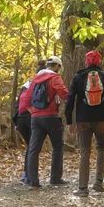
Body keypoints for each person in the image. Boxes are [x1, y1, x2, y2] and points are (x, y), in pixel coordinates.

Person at [64, 50, 104, 197]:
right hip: (102, 119)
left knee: (85, 152)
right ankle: (98, 183)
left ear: (86, 62)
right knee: (102, 149)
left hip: (83, 120)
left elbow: (70, 100)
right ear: (99, 62)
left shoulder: (78, 77)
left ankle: (83, 188)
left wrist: (69, 121)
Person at [23, 56, 70, 191]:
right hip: (51, 117)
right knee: (57, 147)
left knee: (34, 149)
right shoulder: (54, 78)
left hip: (36, 118)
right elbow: (63, 93)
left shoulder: (35, 79)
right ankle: (55, 178)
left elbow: (26, 99)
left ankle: (33, 180)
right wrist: (71, 99)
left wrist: (32, 111)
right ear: (57, 66)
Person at [11, 58, 43, 186]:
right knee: (33, 148)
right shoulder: (43, 82)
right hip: (31, 118)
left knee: (31, 147)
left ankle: (26, 174)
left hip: (20, 119)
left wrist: (15, 122)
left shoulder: (26, 84)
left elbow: (17, 104)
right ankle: (30, 176)